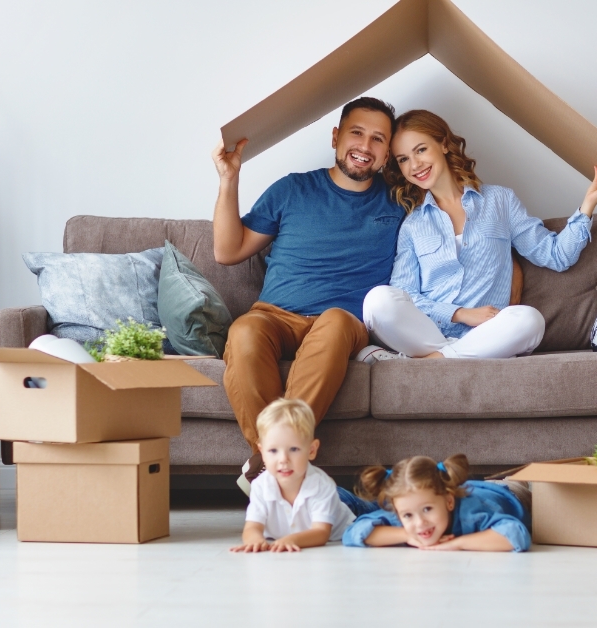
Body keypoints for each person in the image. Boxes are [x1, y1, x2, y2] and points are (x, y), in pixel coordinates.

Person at [211, 97, 405, 492]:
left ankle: (269, 469)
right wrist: (229, 179)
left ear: (388, 152)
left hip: (344, 321)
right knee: (245, 330)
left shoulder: (400, 200)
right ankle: (277, 468)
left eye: (378, 139)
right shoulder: (292, 189)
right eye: (356, 133)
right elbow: (227, 252)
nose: (365, 147)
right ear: (335, 137)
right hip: (275, 315)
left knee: (333, 321)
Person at [357, 109, 597, 362]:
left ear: (444, 144)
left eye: (421, 150)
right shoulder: (412, 225)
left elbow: (556, 256)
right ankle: (449, 356)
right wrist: (459, 314)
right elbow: (406, 294)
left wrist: (588, 205)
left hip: (486, 335)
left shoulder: (500, 201)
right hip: (426, 334)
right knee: (377, 301)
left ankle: (431, 362)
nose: (415, 165)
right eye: (403, 159)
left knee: (530, 320)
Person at [230, 399, 355, 553]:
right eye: (273, 451)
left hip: (347, 513)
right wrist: (255, 540)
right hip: (331, 502)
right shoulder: (261, 485)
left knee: (376, 508)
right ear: (261, 452)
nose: (283, 459)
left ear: (311, 450)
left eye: (294, 449)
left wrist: (292, 539)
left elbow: (321, 533)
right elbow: (252, 527)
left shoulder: (322, 484)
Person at [340, 454, 531, 552]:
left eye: (427, 509)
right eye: (407, 515)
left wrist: (456, 543)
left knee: (517, 484)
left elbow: (517, 535)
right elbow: (352, 533)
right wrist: (406, 535)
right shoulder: (408, 513)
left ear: (449, 502)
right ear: (398, 513)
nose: (420, 522)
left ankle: (516, 478)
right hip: (467, 488)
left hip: (506, 494)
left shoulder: (473, 514)